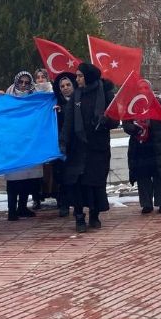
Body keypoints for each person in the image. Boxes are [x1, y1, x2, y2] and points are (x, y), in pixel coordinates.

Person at [60, 62, 118, 232]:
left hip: (98, 148)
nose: (76, 79)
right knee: (77, 182)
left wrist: (105, 120)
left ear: (88, 76)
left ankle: (94, 214)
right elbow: (68, 122)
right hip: (78, 147)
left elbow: (115, 120)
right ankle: (79, 216)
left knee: (95, 183)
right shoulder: (76, 96)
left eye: (79, 76)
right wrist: (63, 142)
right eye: (76, 75)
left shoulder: (105, 94)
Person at [122, 80, 161, 215]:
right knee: (143, 177)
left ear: (151, 89)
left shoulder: (160, 103)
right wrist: (136, 129)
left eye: (146, 88)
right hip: (140, 147)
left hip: (158, 146)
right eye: (140, 88)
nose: (143, 90)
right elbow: (126, 123)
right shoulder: (132, 105)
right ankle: (146, 204)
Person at [3, 71, 44, 221]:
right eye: (21, 82)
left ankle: (22, 207)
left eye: (27, 82)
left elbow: (48, 92)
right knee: (13, 179)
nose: (24, 85)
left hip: (30, 143)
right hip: (13, 144)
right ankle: (11, 210)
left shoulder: (36, 97)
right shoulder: (8, 97)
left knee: (27, 178)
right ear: (16, 81)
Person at [52, 71, 77, 217]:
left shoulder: (80, 100)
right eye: (62, 86)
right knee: (62, 175)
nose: (65, 88)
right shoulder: (55, 103)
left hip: (77, 144)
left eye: (68, 85)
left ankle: (77, 203)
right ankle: (63, 204)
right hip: (61, 145)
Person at [31, 69, 56, 210]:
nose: (40, 79)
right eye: (38, 77)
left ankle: (56, 194)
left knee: (52, 166)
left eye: (43, 77)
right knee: (37, 167)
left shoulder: (53, 93)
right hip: (37, 135)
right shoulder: (32, 94)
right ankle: (37, 197)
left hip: (51, 133)